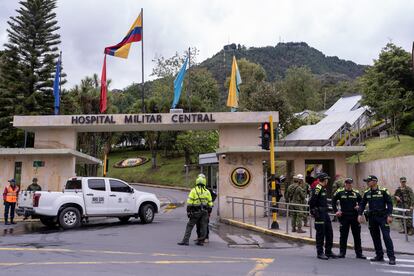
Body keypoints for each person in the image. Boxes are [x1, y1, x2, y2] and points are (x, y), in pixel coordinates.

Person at [358, 175, 396, 265]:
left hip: (383, 217)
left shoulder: (383, 191)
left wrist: (390, 215)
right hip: (372, 218)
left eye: (368, 181)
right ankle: (379, 255)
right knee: (375, 237)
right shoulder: (367, 192)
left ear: (374, 181)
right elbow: (362, 204)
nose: (367, 183)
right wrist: (359, 214)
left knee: (386, 237)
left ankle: (391, 257)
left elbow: (390, 203)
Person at [332, 178, 366, 259]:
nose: (348, 184)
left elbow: (362, 203)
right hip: (344, 216)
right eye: (347, 183)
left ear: (352, 184)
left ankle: (359, 253)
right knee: (343, 236)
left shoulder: (356, 192)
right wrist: (336, 211)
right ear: (345, 184)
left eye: (350, 183)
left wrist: (359, 207)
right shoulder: (340, 191)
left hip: (354, 216)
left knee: (357, 236)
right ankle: (342, 253)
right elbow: (333, 201)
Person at [309, 173, 338, 260]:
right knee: (320, 233)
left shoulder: (323, 189)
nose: (328, 181)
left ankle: (328, 251)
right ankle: (320, 252)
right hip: (319, 214)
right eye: (327, 179)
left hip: (325, 213)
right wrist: (314, 211)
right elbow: (312, 202)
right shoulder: (317, 189)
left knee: (329, 232)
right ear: (324, 180)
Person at [178, 175, 213, 246]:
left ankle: (185, 241)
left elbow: (190, 203)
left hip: (195, 212)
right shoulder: (207, 191)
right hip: (205, 212)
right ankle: (201, 241)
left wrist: (188, 212)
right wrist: (209, 212)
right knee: (203, 226)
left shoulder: (193, 191)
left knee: (190, 226)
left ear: (197, 181)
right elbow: (210, 204)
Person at [195, 174, 217, 243]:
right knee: (198, 223)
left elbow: (215, 195)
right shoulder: (196, 189)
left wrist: (210, 202)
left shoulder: (208, 189)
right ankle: (199, 237)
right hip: (197, 209)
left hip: (206, 209)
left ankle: (206, 237)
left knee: (205, 223)